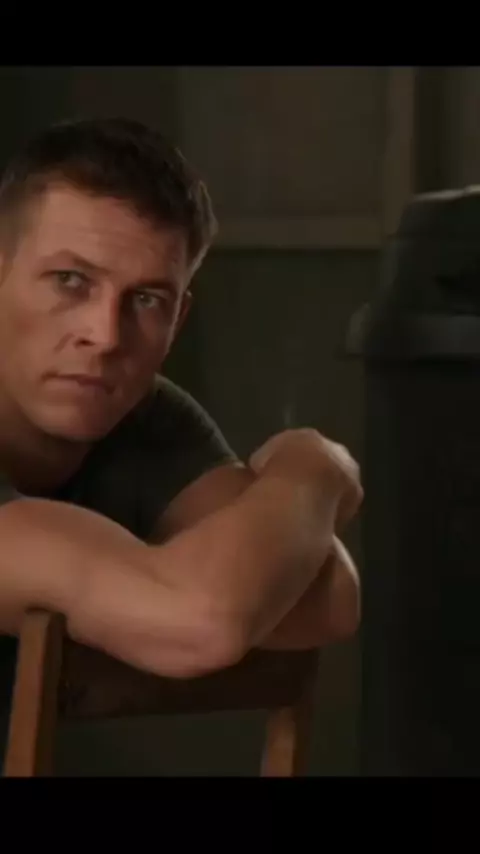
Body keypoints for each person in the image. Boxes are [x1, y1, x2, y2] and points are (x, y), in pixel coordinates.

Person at [0, 116, 362, 714]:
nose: (105, 336)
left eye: (146, 300)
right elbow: (204, 620)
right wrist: (319, 468)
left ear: (178, 320)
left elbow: (328, 595)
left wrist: (309, 478)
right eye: (70, 281)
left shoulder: (141, 412)